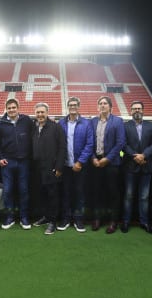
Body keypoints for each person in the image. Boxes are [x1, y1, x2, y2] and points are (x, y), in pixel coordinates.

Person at [0, 98, 34, 229]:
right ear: (6, 109)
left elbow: (34, 135)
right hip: (8, 162)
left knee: (24, 190)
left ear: (18, 108)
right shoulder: (0, 124)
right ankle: (10, 217)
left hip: (24, 161)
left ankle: (24, 217)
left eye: (13, 107)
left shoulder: (26, 120)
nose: (11, 110)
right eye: (9, 108)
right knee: (8, 191)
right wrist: (0, 157)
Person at [90, 96, 126, 233]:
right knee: (97, 192)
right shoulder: (92, 121)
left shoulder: (117, 121)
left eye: (105, 103)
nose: (103, 105)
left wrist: (108, 158)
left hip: (111, 163)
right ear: (98, 106)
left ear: (111, 107)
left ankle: (113, 221)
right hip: (96, 163)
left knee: (113, 194)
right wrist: (93, 158)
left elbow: (120, 142)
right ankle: (97, 219)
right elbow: (89, 142)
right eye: (100, 103)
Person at [121, 101, 152, 233]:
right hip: (130, 167)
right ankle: (125, 222)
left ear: (143, 110)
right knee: (129, 196)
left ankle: (144, 222)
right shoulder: (125, 126)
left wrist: (144, 155)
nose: (137, 110)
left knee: (144, 197)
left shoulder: (151, 126)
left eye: (139, 108)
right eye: (134, 109)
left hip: (146, 166)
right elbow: (123, 144)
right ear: (131, 111)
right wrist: (135, 156)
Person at [57, 97, 93, 233]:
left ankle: (78, 219)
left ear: (79, 106)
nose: (72, 107)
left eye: (75, 105)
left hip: (80, 166)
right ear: (68, 107)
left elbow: (90, 144)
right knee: (66, 193)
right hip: (65, 166)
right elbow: (58, 145)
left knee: (79, 193)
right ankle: (66, 219)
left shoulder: (86, 123)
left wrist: (80, 162)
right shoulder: (61, 123)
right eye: (70, 105)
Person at [30, 103, 66, 235]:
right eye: (38, 112)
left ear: (47, 112)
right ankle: (46, 216)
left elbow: (62, 148)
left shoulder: (56, 128)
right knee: (42, 195)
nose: (40, 115)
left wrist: (59, 167)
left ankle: (53, 222)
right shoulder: (34, 128)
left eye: (42, 112)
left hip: (51, 168)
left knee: (53, 195)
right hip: (37, 169)